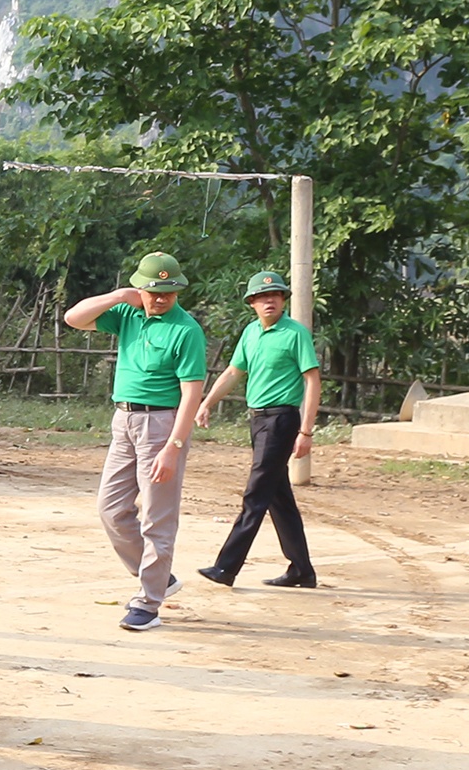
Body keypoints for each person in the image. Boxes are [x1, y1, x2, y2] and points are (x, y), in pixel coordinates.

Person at [64, 252, 207, 632]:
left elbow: (192, 392)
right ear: (140, 288)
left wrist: (174, 447)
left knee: (157, 516)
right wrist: (118, 295)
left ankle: (149, 601)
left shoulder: (186, 330)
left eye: (169, 292)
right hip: (123, 419)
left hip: (161, 423)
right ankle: (161, 577)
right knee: (110, 509)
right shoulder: (128, 315)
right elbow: (73, 318)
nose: (160, 299)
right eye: (153, 291)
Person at [195, 271, 321, 588]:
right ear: (252, 302)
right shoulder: (251, 333)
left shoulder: (295, 334)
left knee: (255, 495)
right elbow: (234, 372)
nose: (270, 301)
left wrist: (306, 432)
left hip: (282, 420)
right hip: (259, 420)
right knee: (279, 498)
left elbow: (312, 381)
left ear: (283, 300)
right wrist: (206, 402)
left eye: (276, 296)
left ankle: (226, 567)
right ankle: (302, 570)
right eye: (263, 297)